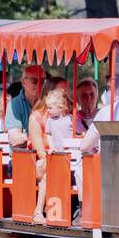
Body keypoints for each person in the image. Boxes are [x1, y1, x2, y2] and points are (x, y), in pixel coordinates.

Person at [32, 88, 75, 223]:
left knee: (48, 178)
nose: (48, 110)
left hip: (71, 157)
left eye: (50, 108)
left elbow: (76, 135)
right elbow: (49, 135)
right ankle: (38, 211)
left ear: (61, 107)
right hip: (57, 155)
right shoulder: (50, 120)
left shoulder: (70, 120)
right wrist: (51, 147)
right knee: (46, 178)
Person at [6, 64, 46, 149]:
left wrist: (26, 138)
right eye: (34, 81)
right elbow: (15, 140)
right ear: (23, 82)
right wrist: (39, 138)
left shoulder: (49, 103)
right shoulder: (14, 104)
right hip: (22, 156)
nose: (39, 85)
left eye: (42, 81)